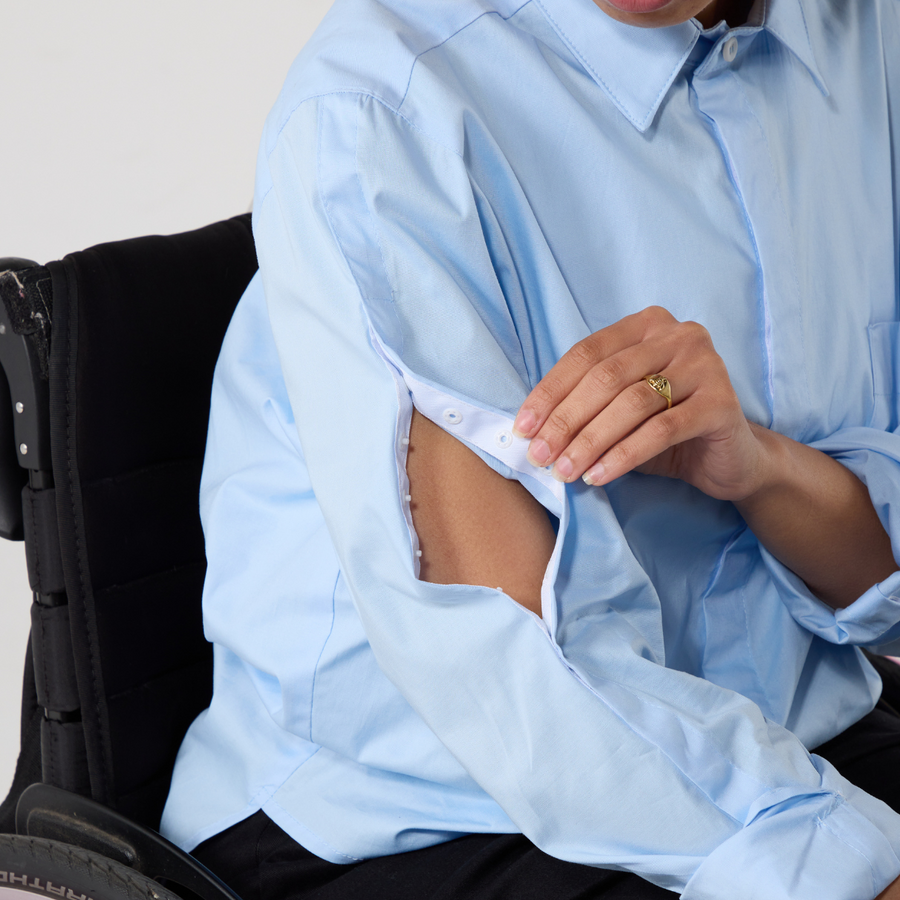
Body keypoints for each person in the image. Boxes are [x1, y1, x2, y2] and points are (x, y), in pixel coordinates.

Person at [160, 0, 900, 896]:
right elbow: (513, 677)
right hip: (421, 815)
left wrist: (766, 469)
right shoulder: (383, 109)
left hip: (792, 741)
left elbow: (884, 589)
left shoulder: (867, 41)